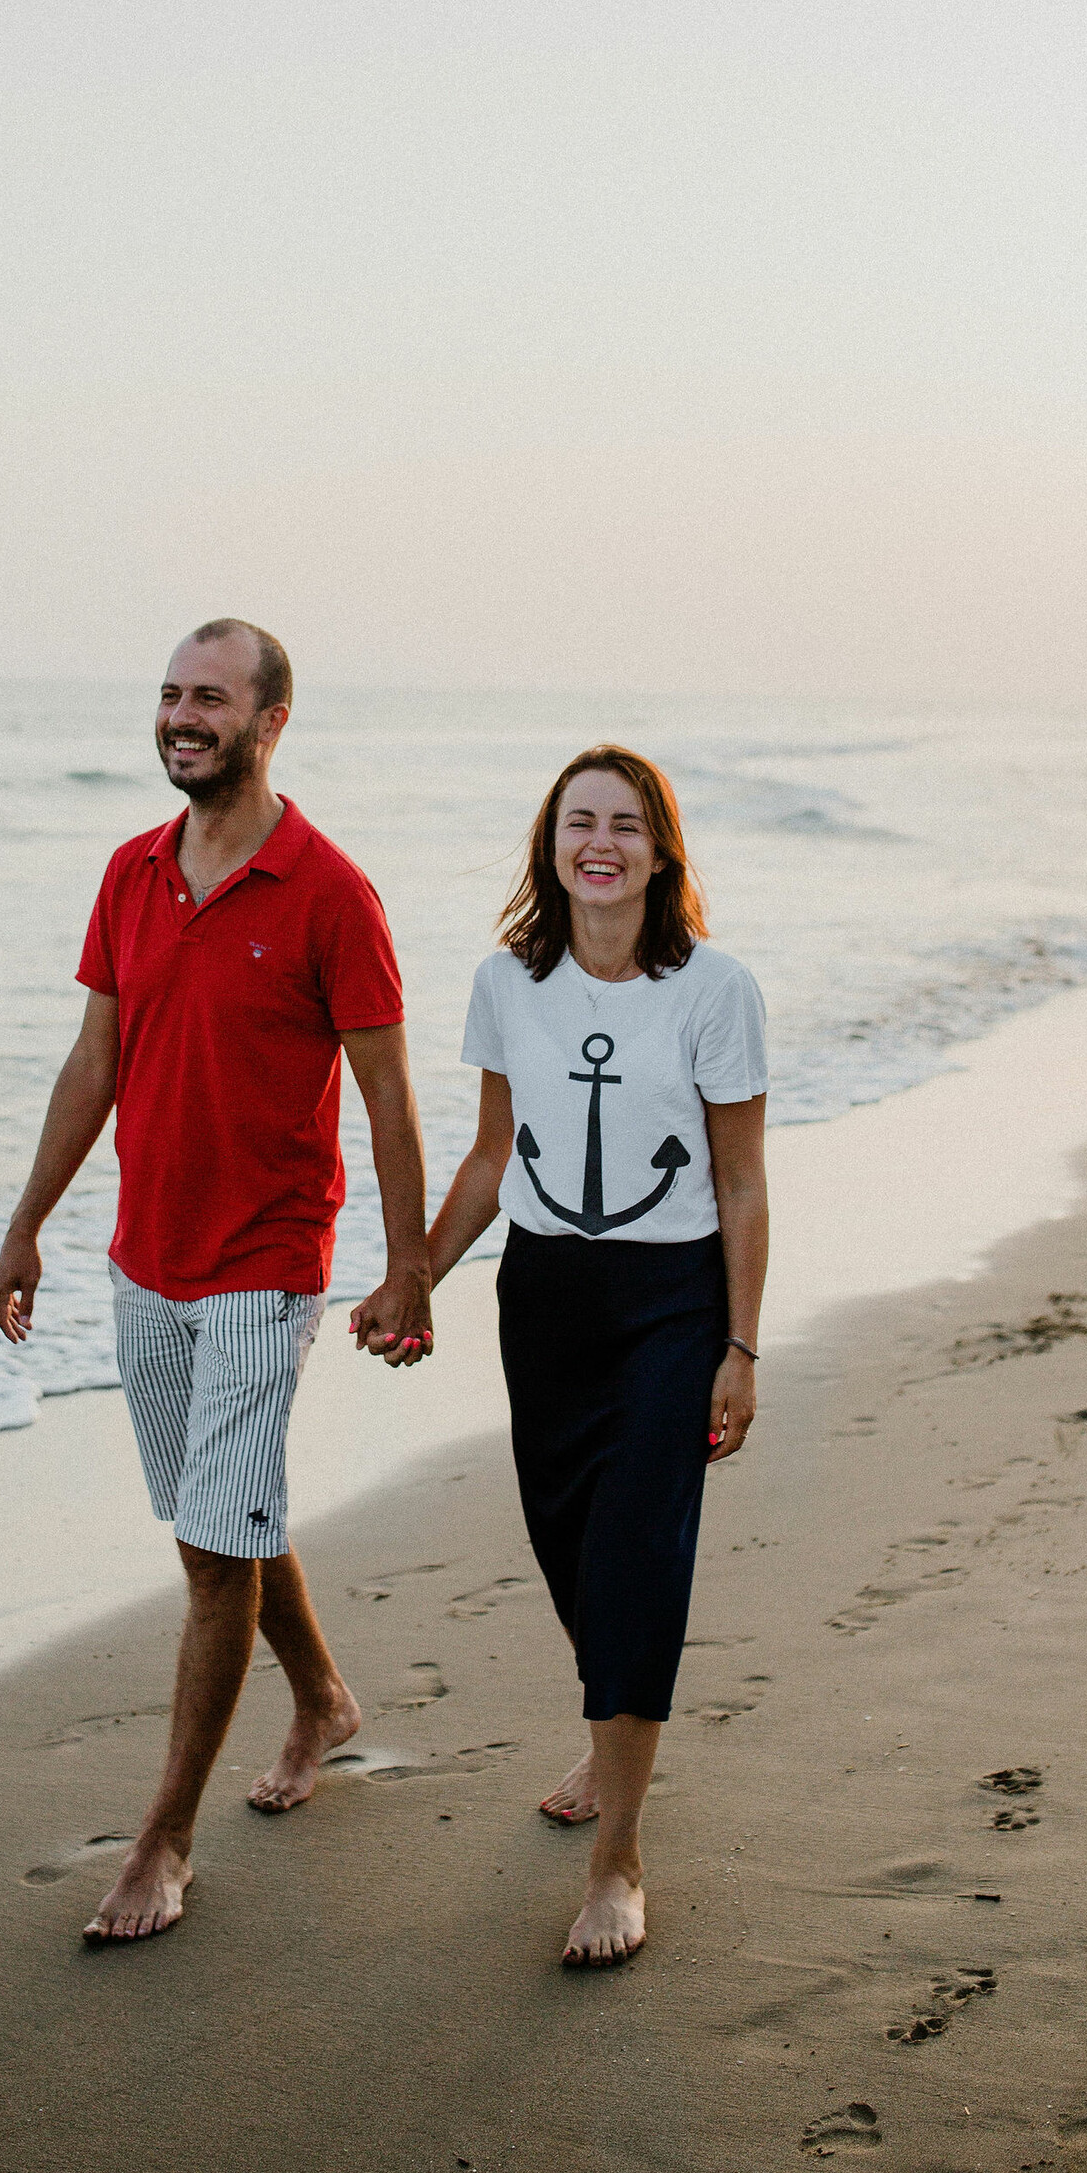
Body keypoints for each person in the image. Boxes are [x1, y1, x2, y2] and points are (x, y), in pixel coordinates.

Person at [0, 619, 433, 1946]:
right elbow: (92, 1067)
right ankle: (325, 1702)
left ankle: (163, 1842)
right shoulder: (130, 873)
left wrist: (408, 1269)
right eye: (172, 696)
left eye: (211, 699)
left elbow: (389, 1095)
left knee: (211, 1551)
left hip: (265, 1259)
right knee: (213, 1522)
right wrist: (28, 1226)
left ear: (271, 720)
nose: (184, 718)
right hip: (147, 1256)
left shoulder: (331, 892)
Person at [423, 744, 768, 1968]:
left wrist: (738, 1344)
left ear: (662, 850)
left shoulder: (714, 991)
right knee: (569, 1543)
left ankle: (618, 1859)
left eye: (627, 823)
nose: (601, 843)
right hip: (548, 1297)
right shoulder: (507, 983)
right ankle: (608, 1719)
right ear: (551, 843)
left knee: (631, 1559)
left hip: (671, 1305)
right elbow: (490, 1156)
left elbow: (735, 1181)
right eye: (580, 822)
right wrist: (414, 1270)